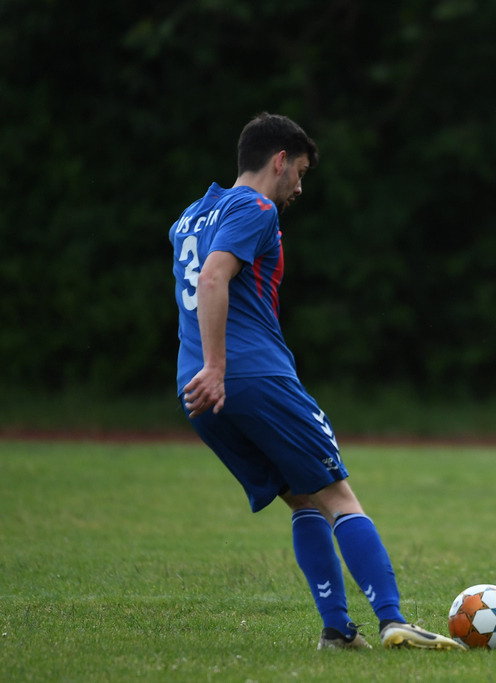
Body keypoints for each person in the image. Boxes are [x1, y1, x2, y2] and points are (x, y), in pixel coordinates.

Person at [169, 112, 464, 652]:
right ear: (279, 160)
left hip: (197, 390)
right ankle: (392, 619)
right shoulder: (254, 206)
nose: (299, 187)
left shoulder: (190, 216)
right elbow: (213, 277)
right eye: (300, 172)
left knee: (303, 500)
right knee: (340, 498)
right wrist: (219, 365)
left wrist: (205, 370)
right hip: (249, 376)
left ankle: (336, 631)